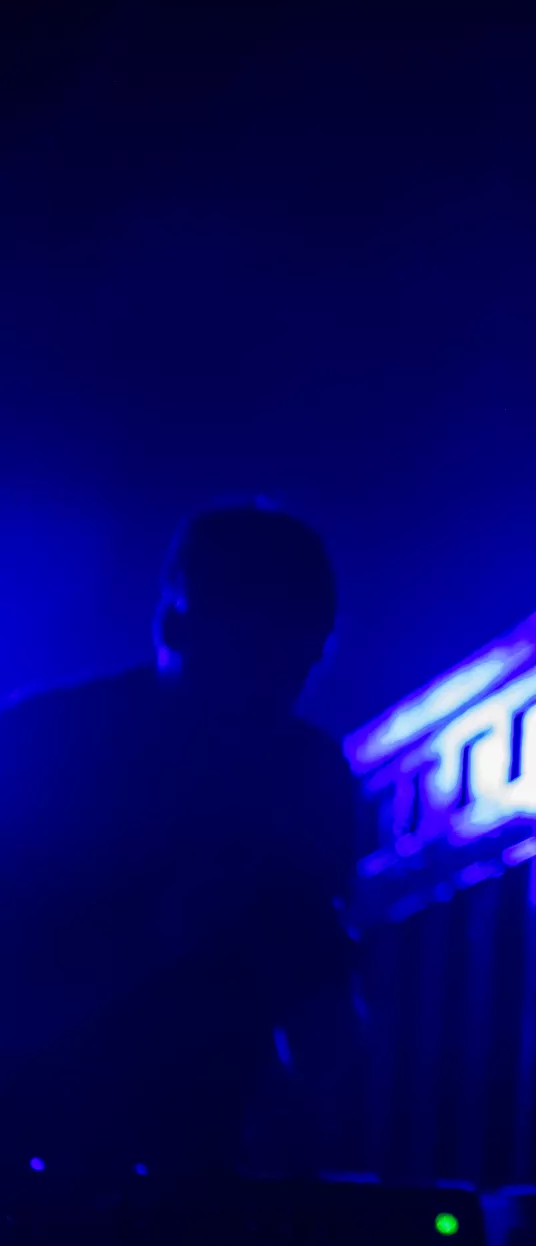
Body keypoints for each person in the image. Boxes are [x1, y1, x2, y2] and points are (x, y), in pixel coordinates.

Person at [0, 503, 361, 1181]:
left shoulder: (308, 773)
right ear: (175, 625)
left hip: (195, 1165)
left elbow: (319, 1021)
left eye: (292, 668)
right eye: (252, 660)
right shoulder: (42, 749)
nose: (265, 697)